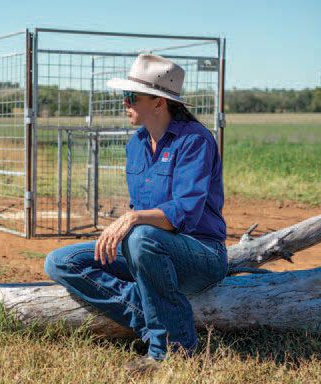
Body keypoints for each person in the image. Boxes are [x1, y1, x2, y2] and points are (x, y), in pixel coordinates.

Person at [44, 54, 227, 372]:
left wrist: (133, 219)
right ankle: (153, 315)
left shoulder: (195, 141)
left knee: (141, 236)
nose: (124, 102)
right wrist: (133, 222)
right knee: (62, 262)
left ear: (159, 102)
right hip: (148, 248)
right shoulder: (137, 144)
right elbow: (142, 216)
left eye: (131, 97)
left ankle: (171, 350)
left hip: (201, 254)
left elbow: (185, 214)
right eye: (124, 96)